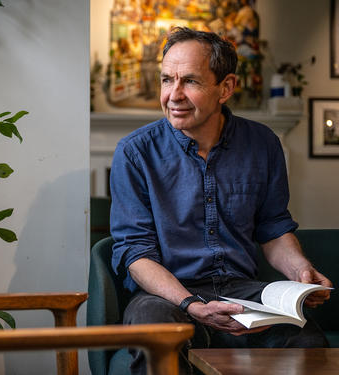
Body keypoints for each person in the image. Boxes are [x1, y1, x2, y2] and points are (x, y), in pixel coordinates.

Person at [109, 26, 332, 375]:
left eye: (191, 82)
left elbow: (272, 228)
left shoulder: (263, 144)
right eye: (167, 80)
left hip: (241, 291)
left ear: (225, 87)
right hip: (168, 295)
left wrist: (300, 272)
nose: (174, 94)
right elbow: (135, 252)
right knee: (155, 328)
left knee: (305, 338)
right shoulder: (135, 152)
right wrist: (190, 303)